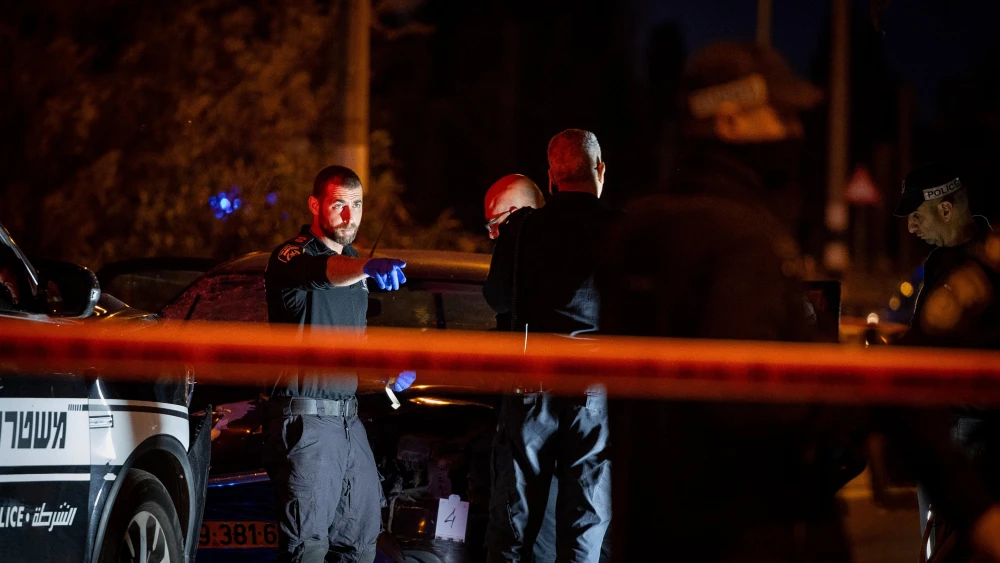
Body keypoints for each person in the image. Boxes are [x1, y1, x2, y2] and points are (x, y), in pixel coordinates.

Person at [262, 165, 416, 563]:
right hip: (307, 422)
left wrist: (385, 370)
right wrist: (365, 267)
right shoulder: (291, 255)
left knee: (361, 541)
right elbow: (320, 274)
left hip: (349, 422)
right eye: (339, 205)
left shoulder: (354, 266)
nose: (350, 217)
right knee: (307, 548)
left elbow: (354, 344)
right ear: (315, 205)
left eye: (358, 205)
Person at [483, 130, 612, 563]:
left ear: (552, 176)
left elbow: (498, 299)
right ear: (600, 170)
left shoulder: (521, 229)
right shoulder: (624, 229)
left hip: (531, 388)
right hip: (596, 391)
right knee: (585, 524)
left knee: (514, 525)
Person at [893, 162, 1000, 559]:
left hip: (973, 427)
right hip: (946, 419)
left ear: (945, 210)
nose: (910, 228)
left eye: (916, 216)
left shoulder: (986, 265)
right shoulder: (943, 262)